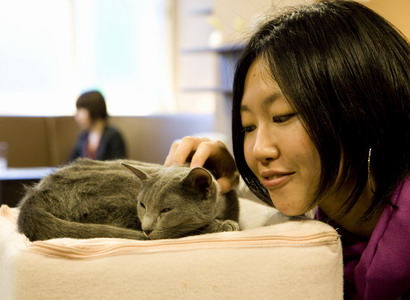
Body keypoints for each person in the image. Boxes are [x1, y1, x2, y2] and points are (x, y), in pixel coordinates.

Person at [165, 1, 409, 299]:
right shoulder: (332, 228)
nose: (258, 150)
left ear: (361, 108)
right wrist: (227, 177)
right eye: (247, 127)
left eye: (282, 116)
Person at [69, 90, 126, 161]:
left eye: (81, 111)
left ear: (94, 109)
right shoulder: (83, 136)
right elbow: (70, 163)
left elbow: (118, 166)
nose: (77, 116)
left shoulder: (113, 136)